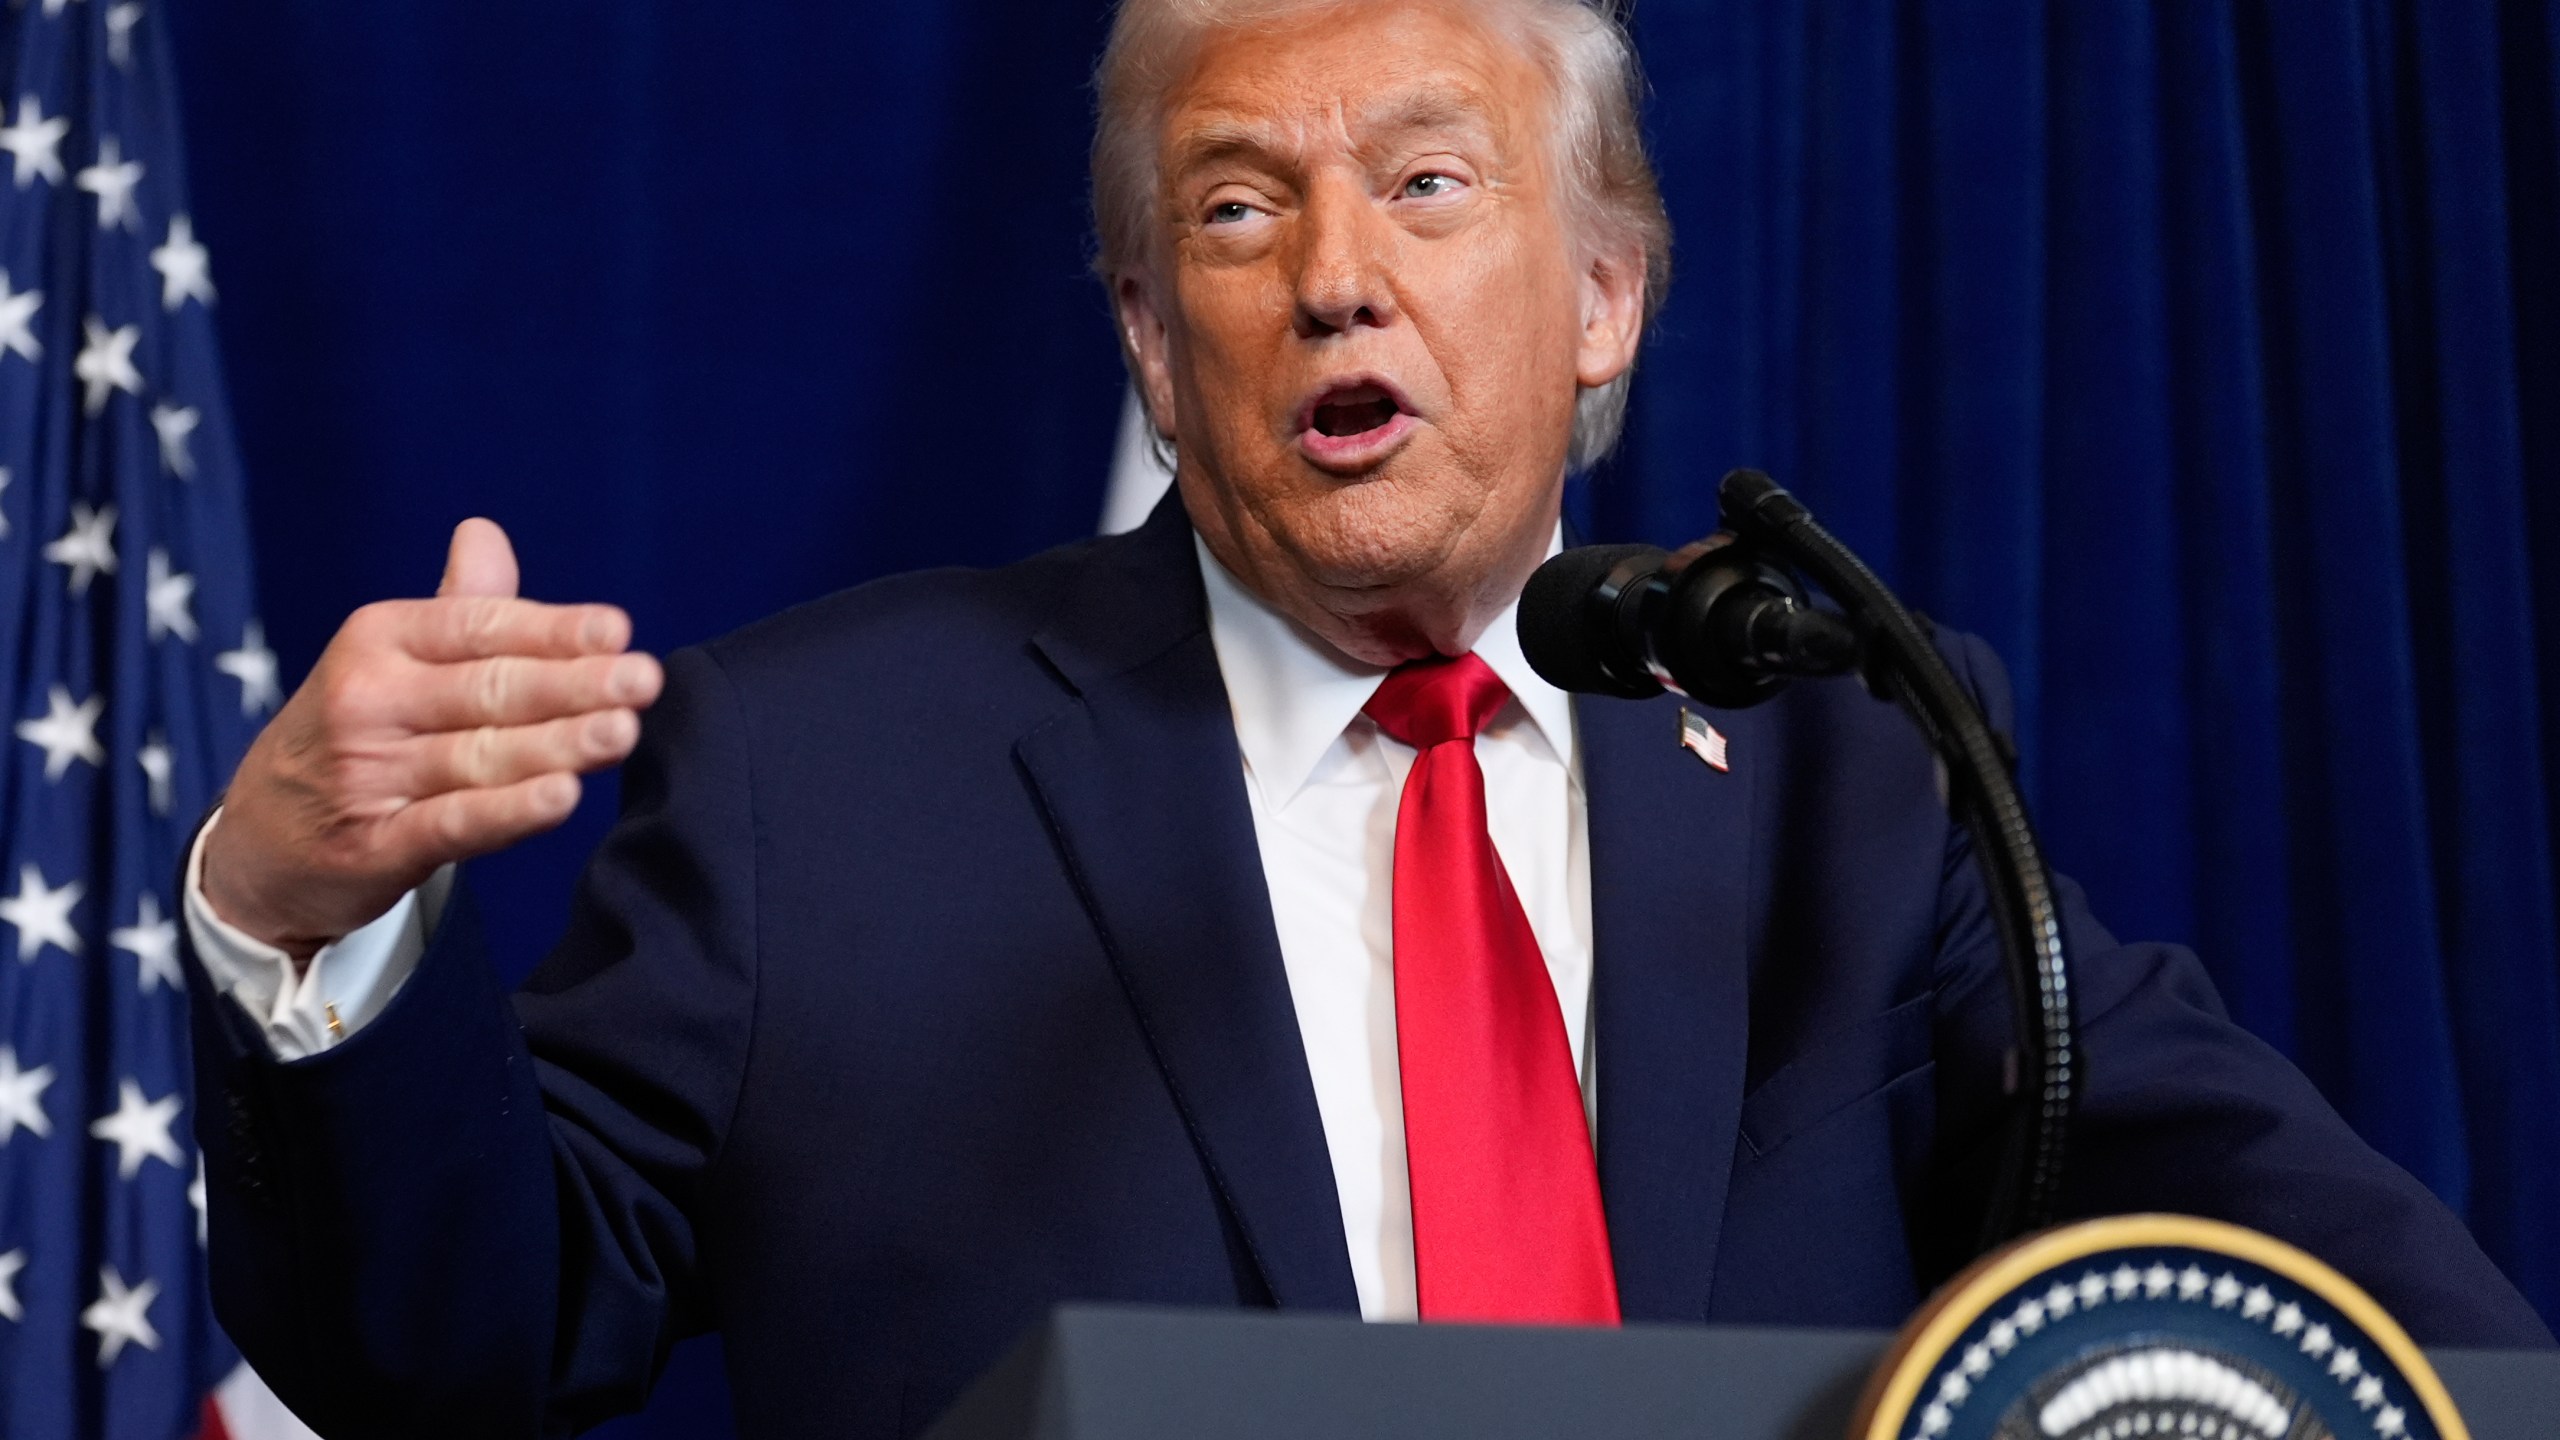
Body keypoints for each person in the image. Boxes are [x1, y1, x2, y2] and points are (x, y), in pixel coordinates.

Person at [181, 1, 2551, 1437]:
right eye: (1231, 213)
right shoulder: (823, 778)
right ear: (1143, 339)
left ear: (1601, 297)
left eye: (1427, 184)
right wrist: (312, 931)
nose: (1335, 277)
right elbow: (459, 1355)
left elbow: (2293, 1244)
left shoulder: (1842, 762)